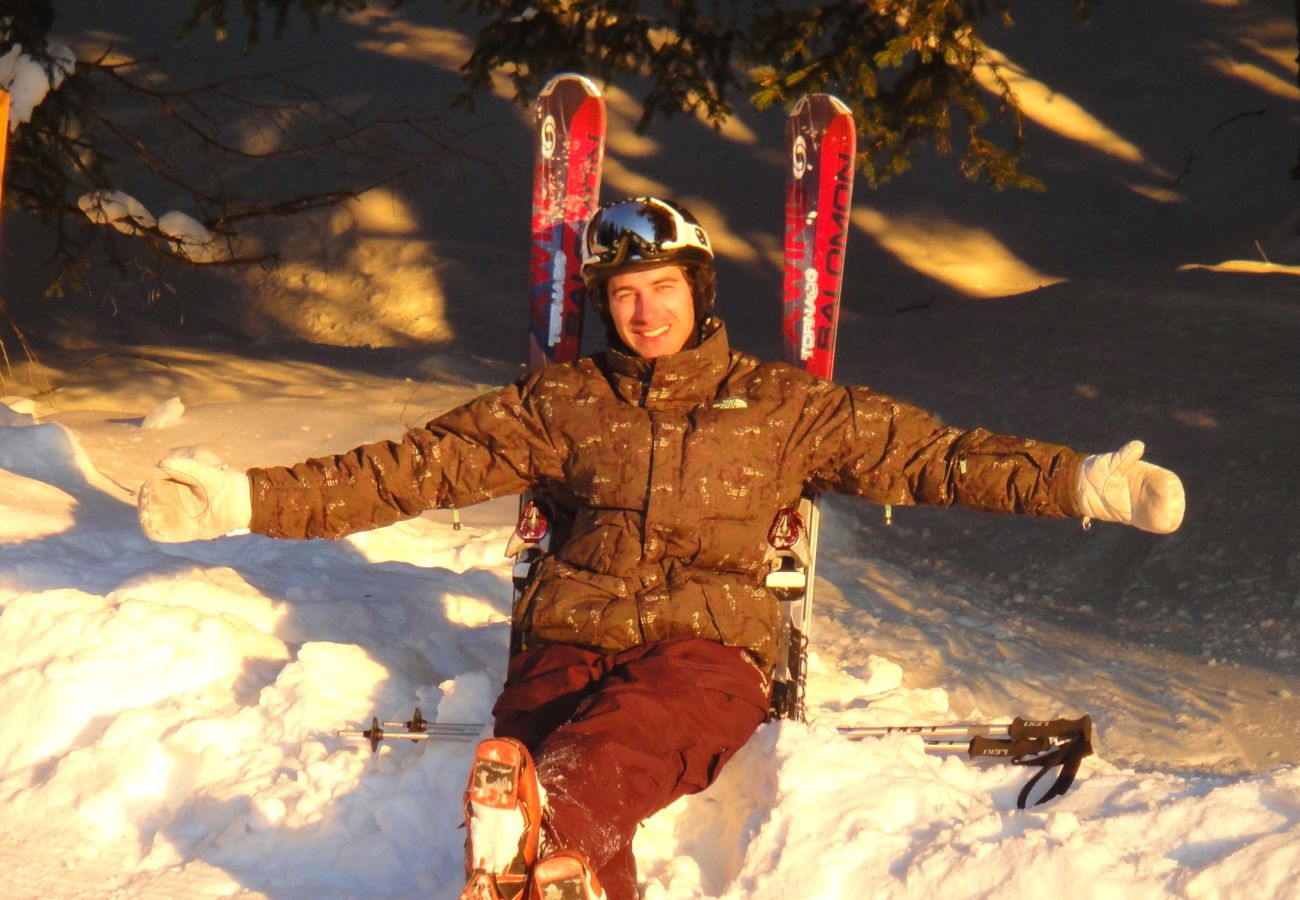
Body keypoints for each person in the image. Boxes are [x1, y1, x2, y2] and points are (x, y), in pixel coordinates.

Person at [137, 197, 1186, 900]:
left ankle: (537, 844)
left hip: (706, 651)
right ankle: (552, 870)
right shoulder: (562, 402)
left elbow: (935, 457)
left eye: (662, 292)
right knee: (549, 775)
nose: (642, 313)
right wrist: (243, 498)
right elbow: (407, 470)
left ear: (699, 293)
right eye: (623, 298)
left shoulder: (781, 408)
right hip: (566, 638)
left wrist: (1083, 481)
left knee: (598, 759)